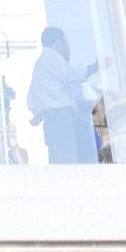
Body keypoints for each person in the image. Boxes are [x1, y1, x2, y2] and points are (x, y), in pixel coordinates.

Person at [27, 26, 97, 164]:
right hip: (60, 118)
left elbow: (31, 97)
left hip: (52, 119)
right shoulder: (52, 57)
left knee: (59, 160)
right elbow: (71, 75)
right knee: (67, 161)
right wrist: (96, 67)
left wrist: (37, 112)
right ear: (57, 41)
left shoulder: (41, 62)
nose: (66, 45)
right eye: (64, 40)